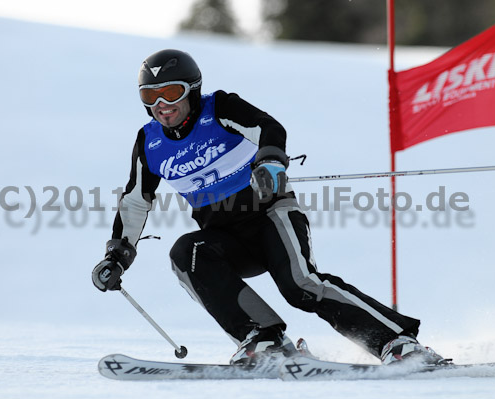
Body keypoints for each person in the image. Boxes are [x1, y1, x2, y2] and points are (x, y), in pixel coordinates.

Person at [92, 49, 445, 366]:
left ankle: (398, 343)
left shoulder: (220, 108)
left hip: (271, 217)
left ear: (192, 90)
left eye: (171, 93)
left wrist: (271, 163)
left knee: (301, 286)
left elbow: (268, 128)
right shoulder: (150, 142)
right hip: (225, 238)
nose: (162, 104)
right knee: (186, 253)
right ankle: (264, 339)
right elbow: (137, 200)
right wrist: (117, 255)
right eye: (150, 96)